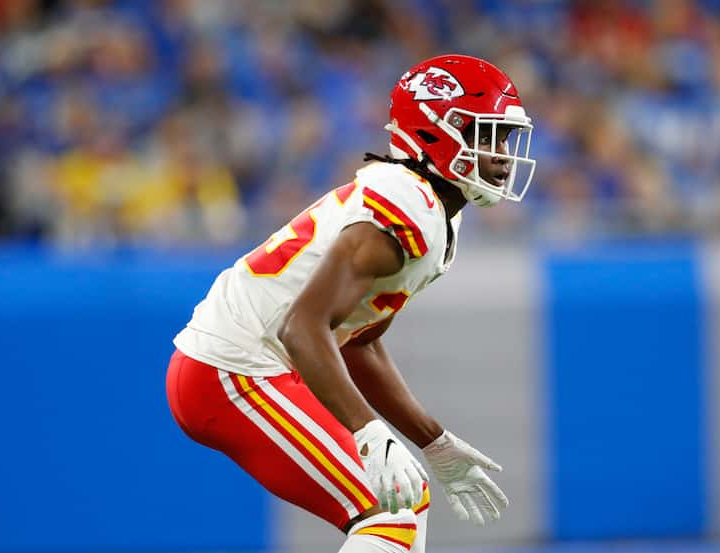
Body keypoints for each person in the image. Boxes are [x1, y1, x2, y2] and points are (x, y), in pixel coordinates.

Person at [166, 54, 537, 553]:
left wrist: (434, 441)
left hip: (242, 367)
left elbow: (358, 342)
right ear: (433, 132)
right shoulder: (410, 208)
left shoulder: (433, 210)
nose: (501, 155)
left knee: (404, 498)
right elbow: (302, 328)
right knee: (391, 513)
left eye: (505, 139)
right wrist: (367, 429)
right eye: (486, 135)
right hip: (234, 370)